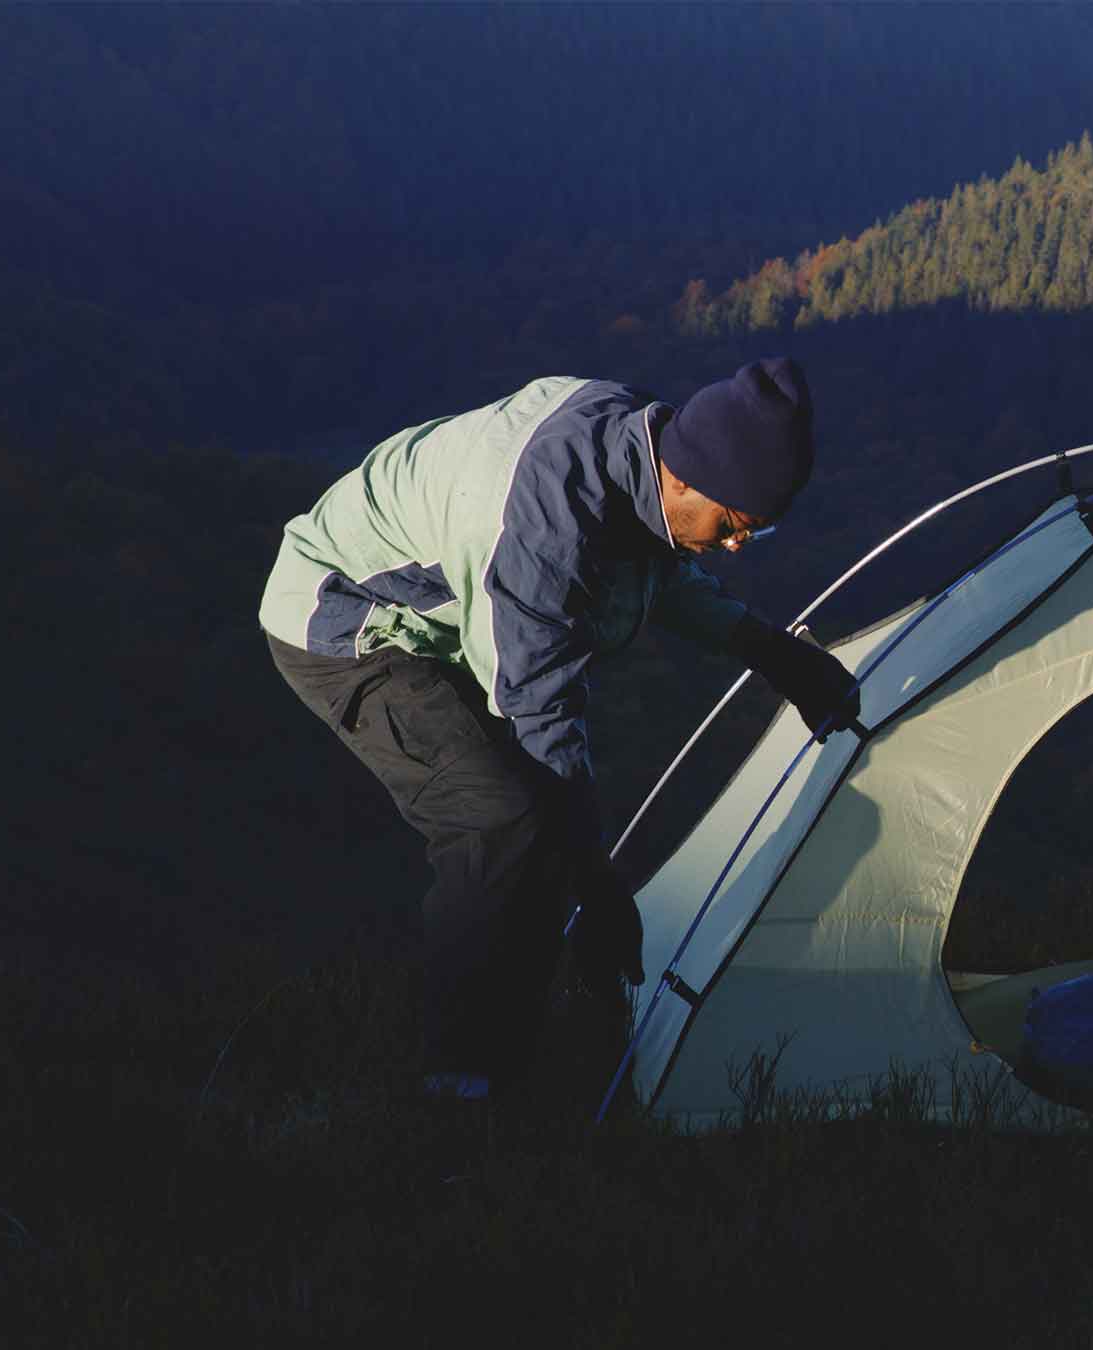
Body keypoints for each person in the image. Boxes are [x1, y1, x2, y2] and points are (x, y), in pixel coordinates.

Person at [258, 360, 860, 1099]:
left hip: (449, 622)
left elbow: (655, 574)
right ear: (684, 481)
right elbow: (539, 713)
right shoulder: (544, 524)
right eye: (735, 524)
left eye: (755, 533)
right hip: (343, 618)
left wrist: (772, 652)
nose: (738, 544)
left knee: (538, 831)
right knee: (497, 819)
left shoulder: (650, 449)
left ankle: (533, 1059)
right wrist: (600, 886)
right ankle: (454, 1092)